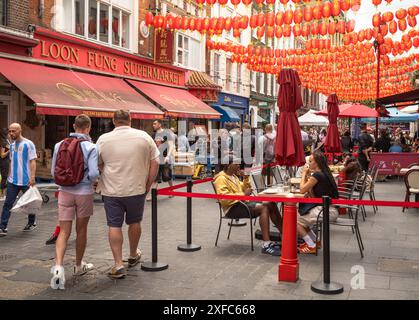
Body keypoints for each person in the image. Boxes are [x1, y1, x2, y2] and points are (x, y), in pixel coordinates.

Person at [96, 110, 159, 279]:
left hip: (112, 190)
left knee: (114, 225)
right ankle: (132, 254)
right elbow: (155, 162)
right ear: (130, 120)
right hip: (136, 188)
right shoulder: (144, 136)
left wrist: (108, 172)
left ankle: (118, 264)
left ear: (113, 121)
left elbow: (98, 163)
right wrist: (148, 184)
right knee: (134, 222)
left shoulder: (103, 139)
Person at [49, 114, 99, 290]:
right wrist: (94, 181)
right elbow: (93, 173)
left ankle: (58, 267)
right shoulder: (91, 146)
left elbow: (54, 170)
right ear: (89, 128)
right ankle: (78, 266)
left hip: (64, 192)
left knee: (64, 231)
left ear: (74, 126)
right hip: (84, 192)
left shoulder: (58, 145)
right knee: (81, 229)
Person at [213, 156, 282, 256]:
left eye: (238, 164)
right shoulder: (221, 178)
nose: (238, 166)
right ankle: (266, 245)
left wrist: (245, 178)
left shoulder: (234, 176)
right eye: (236, 164)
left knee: (270, 203)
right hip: (232, 208)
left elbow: (245, 188)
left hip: (241, 204)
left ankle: (284, 236)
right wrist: (243, 195)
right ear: (228, 165)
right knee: (264, 208)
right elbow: (224, 199)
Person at [297, 151, 339, 254]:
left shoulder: (317, 174)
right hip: (329, 209)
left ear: (317, 163)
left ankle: (311, 245)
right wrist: (309, 183)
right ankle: (315, 241)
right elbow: (314, 197)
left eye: (310, 161)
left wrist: (303, 174)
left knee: (294, 219)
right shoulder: (325, 173)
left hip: (327, 211)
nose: (309, 163)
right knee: (301, 218)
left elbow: (302, 189)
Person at [0, 123, 37, 236]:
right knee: (8, 204)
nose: (11, 133)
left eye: (13, 131)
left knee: (30, 203)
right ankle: (3, 227)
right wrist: (8, 177)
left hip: (26, 180)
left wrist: (32, 177)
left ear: (20, 131)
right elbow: (11, 162)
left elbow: (33, 161)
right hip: (13, 181)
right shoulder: (11, 146)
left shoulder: (28, 144)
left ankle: (31, 222)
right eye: (10, 131)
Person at [147, 120, 175, 201]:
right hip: (156, 158)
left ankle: (172, 190)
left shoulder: (167, 133)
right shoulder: (153, 135)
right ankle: (152, 195)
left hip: (165, 158)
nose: (153, 125)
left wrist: (168, 156)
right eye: (153, 123)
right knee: (155, 177)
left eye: (155, 123)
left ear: (160, 124)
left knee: (167, 176)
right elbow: (151, 146)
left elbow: (171, 146)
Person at [0, 128, 10, 201]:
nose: (11, 134)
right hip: (3, 161)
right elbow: (2, 155)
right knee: (4, 177)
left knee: (5, 177)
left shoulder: (7, 140)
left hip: (6, 161)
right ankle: (2, 195)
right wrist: (10, 150)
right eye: (9, 132)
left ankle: (4, 194)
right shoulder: (3, 142)